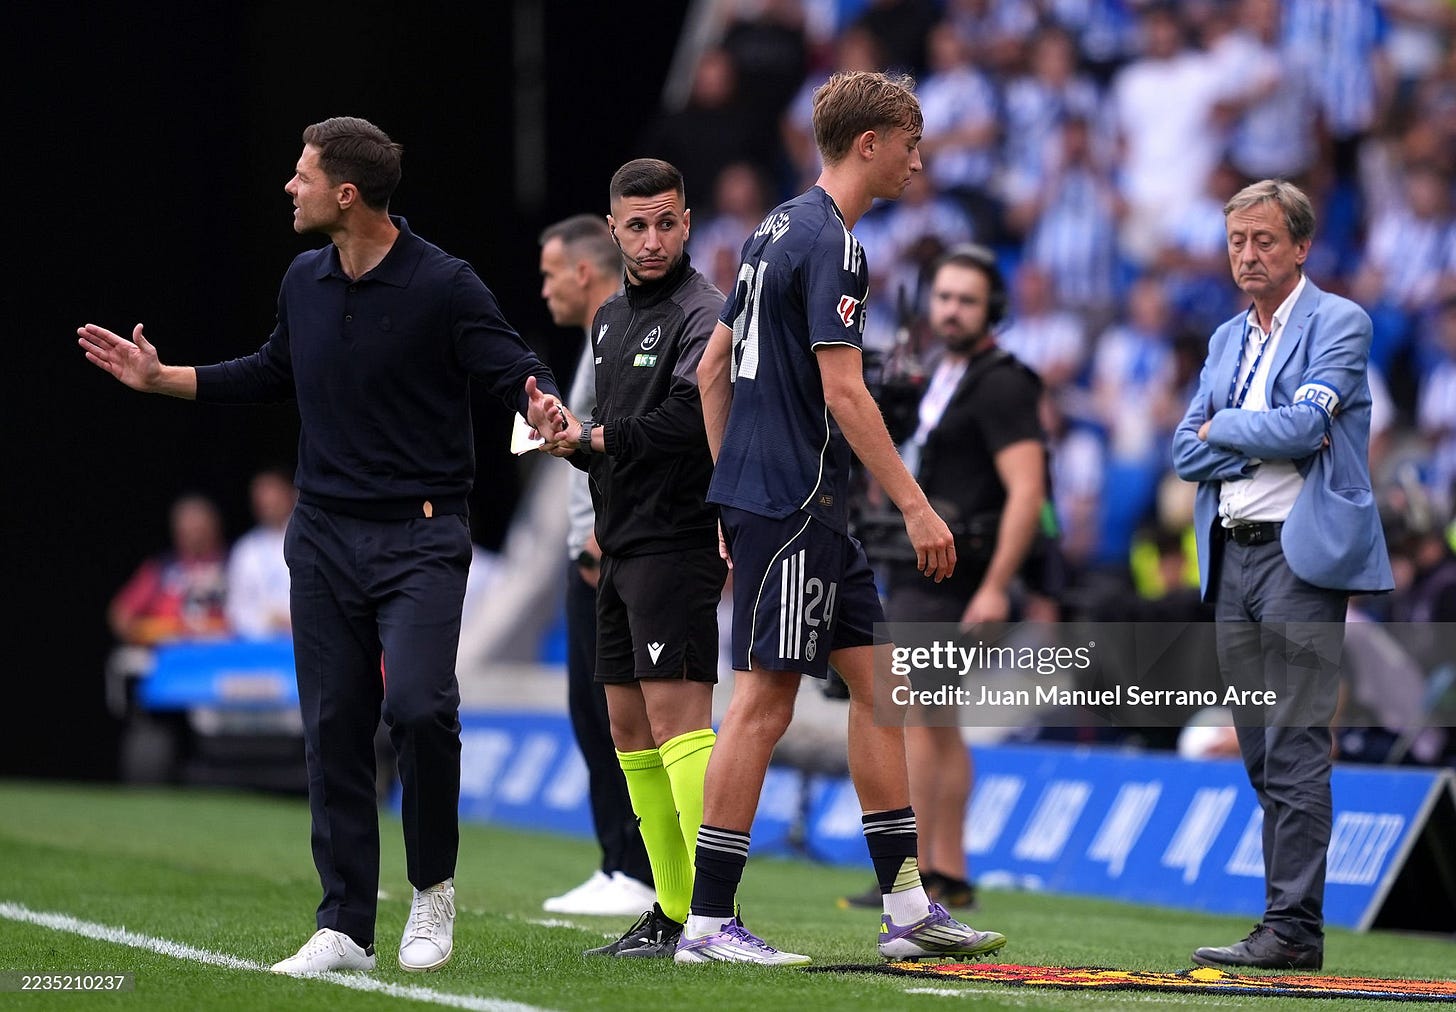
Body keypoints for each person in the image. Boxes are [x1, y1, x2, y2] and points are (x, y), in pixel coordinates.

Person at [77, 116, 565, 975]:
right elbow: (273, 369)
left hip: (421, 536)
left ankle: (433, 890)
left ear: (346, 193)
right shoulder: (303, 278)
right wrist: (162, 378)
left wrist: (542, 403)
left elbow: (512, 367)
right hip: (324, 538)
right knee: (334, 726)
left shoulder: (444, 283)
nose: (289, 187)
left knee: (417, 707)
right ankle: (344, 925)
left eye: (301, 175)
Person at [678, 70, 1007, 966]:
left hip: (789, 503)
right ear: (870, 144)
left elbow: (711, 370)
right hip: (795, 504)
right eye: (910, 143)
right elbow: (846, 392)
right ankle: (707, 923)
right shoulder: (836, 243)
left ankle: (907, 908)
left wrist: (730, 487)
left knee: (878, 688)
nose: (918, 161)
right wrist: (917, 506)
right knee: (763, 702)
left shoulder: (771, 229)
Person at [1172, 178, 1394, 970]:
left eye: (1264, 240)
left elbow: (1304, 429)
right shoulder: (1224, 339)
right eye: (1237, 241)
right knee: (1261, 750)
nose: (1248, 254)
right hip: (1232, 554)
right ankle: (1285, 922)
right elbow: (1183, 449)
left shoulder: (1340, 320)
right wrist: (1242, 438)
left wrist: (1225, 427)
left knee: (1296, 744)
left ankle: (1293, 929)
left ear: (1301, 245)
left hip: (1301, 560)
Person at [545, 159, 727, 958]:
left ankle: (715, 914)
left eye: (666, 223)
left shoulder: (705, 311)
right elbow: (613, 438)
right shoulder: (610, 318)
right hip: (619, 547)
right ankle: (672, 911)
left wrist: (592, 437)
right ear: (614, 229)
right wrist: (571, 440)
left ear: (687, 223)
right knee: (628, 730)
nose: (652, 240)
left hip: (678, 542)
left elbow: (688, 421)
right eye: (637, 226)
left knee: (680, 726)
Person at [842, 244, 1053, 913]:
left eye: (967, 300)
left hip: (957, 575)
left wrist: (994, 586)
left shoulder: (1003, 382)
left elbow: (1027, 492)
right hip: (918, 568)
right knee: (931, 719)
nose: (952, 310)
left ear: (994, 308)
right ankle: (937, 872)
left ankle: (928, 873)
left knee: (921, 716)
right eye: (944, 297)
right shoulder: (938, 372)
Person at [535, 213, 655, 917]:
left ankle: (636, 868)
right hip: (589, 550)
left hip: (604, 553)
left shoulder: (621, 334)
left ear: (584, 271)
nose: (545, 289)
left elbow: (629, 444)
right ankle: (616, 861)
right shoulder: (597, 338)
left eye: (551, 273)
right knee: (592, 711)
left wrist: (601, 539)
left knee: (619, 715)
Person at [108, 492, 230, 646]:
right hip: (167, 650)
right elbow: (121, 614)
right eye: (187, 526)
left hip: (223, 649)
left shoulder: (235, 564)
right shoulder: (161, 567)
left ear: (215, 525)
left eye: (199, 526)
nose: (194, 532)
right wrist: (145, 637)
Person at [225, 466, 298, 640]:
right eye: (263, 499)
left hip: (307, 636)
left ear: (291, 495)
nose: (269, 504)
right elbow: (237, 607)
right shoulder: (245, 550)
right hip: (262, 644)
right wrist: (268, 622)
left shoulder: (311, 540)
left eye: (274, 497)